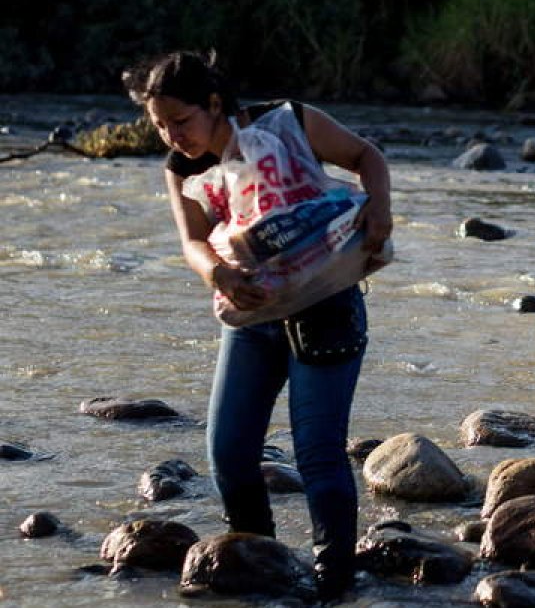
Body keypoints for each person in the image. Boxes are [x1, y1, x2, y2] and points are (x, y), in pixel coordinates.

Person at [122, 51, 392, 601]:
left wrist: (380, 211)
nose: (173, 137)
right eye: (160, 127)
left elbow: (368, 156)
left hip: (325, 305)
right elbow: (193, 243)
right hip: (251, 315)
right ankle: (260, 560)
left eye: (182, 121)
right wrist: (217, 273)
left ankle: (333, 579)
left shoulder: (289, 120)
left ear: (214, 104)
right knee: (228, 451)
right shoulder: (182, 168)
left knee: (317, 454)